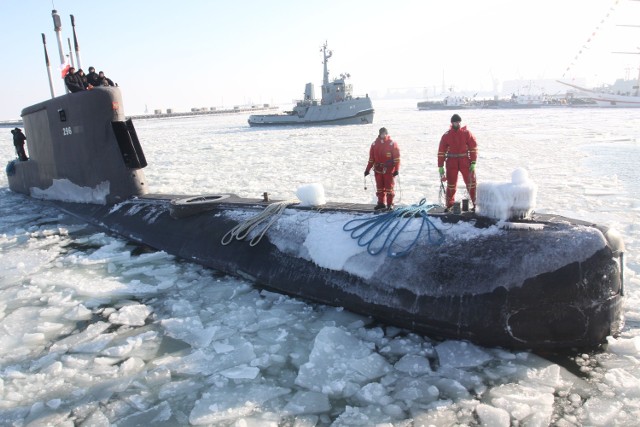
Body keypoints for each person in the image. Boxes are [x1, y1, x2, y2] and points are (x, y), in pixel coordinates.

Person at [437, 113, 478, 210]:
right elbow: (441, 151)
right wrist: (440, 166)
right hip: (451, 161)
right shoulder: (446, 135)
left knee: (471, 183)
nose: (457, 123)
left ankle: (476, 204)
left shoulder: (466, 133)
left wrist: (473, 162)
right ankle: (449, 205)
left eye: (458, 121)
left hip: (464, 160)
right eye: (455, 122)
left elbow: (473, 148)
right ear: (452, 123)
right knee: (451, 185)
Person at [364, 127, 400, 210]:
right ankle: (381, 203)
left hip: (389, 170)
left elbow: (397, 159)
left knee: (389, 188)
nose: (383, 135)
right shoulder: (374, 144)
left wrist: (397, 169)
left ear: (387, 134)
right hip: (378, 169)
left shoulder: (392, 143)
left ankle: (390, 204)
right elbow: (371, 159)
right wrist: (367, 169)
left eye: (384, 133)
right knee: (379, 188)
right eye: (381, 133)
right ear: (379, 134)